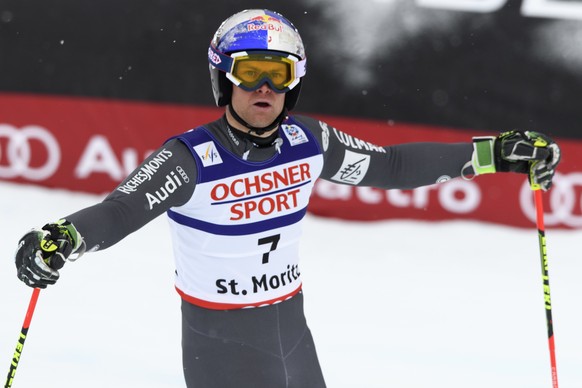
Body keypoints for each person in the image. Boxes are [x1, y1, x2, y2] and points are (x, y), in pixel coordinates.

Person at [14, 8, 561, 388]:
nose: (264, 89)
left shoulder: (309, 142)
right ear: (224, 79)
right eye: (249, 73)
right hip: (219, 341)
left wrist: (495, 154)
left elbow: (390, 165)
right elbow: (120, 210)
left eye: (277, 75)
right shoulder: (189, 159)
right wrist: (65, 238)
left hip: (291, 332)